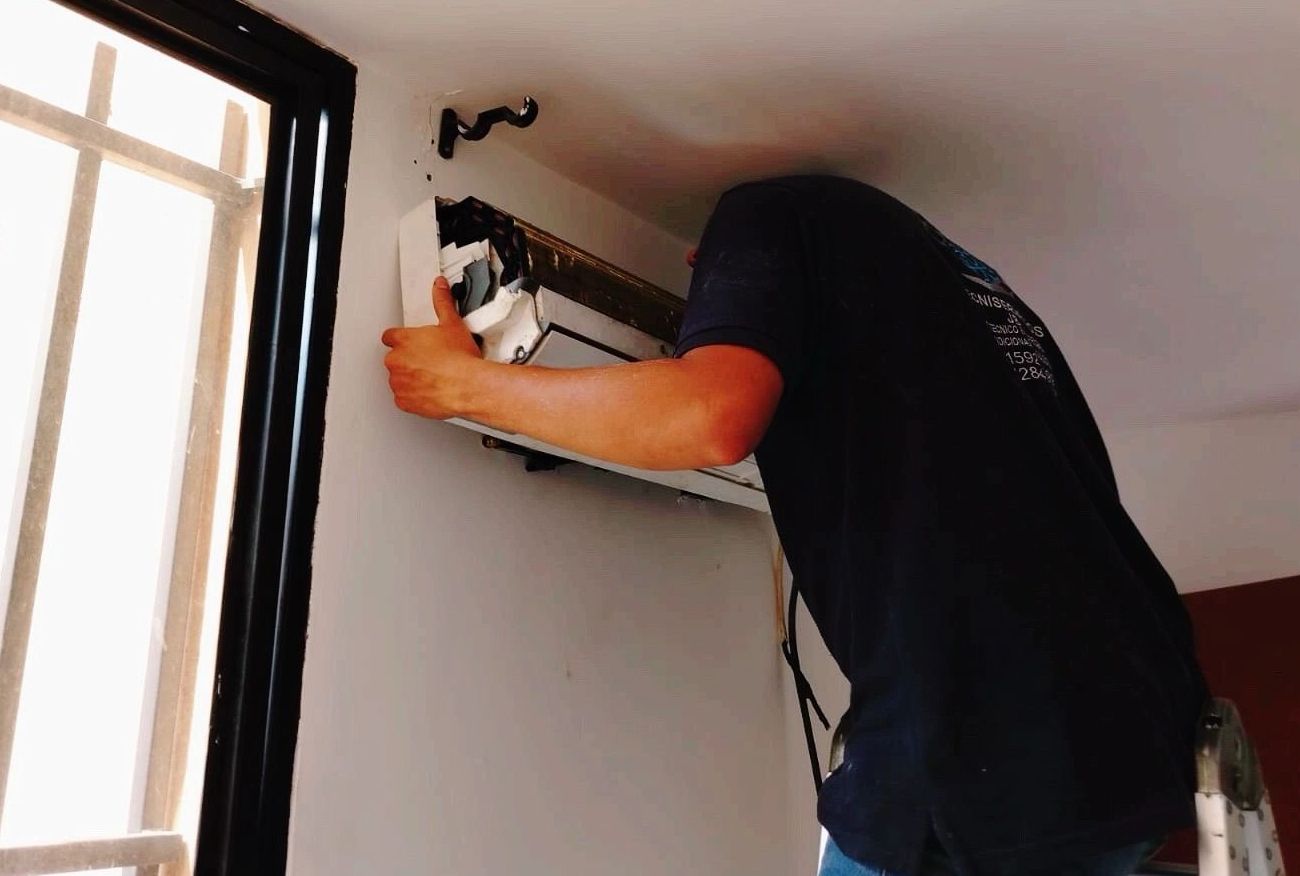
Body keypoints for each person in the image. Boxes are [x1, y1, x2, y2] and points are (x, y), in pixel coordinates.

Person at [381, 175, 1210, 876]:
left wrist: (465, 388)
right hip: (1138, 722)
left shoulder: (765, 216)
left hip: (995, 741)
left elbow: (709, 415)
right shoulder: (960, 286)